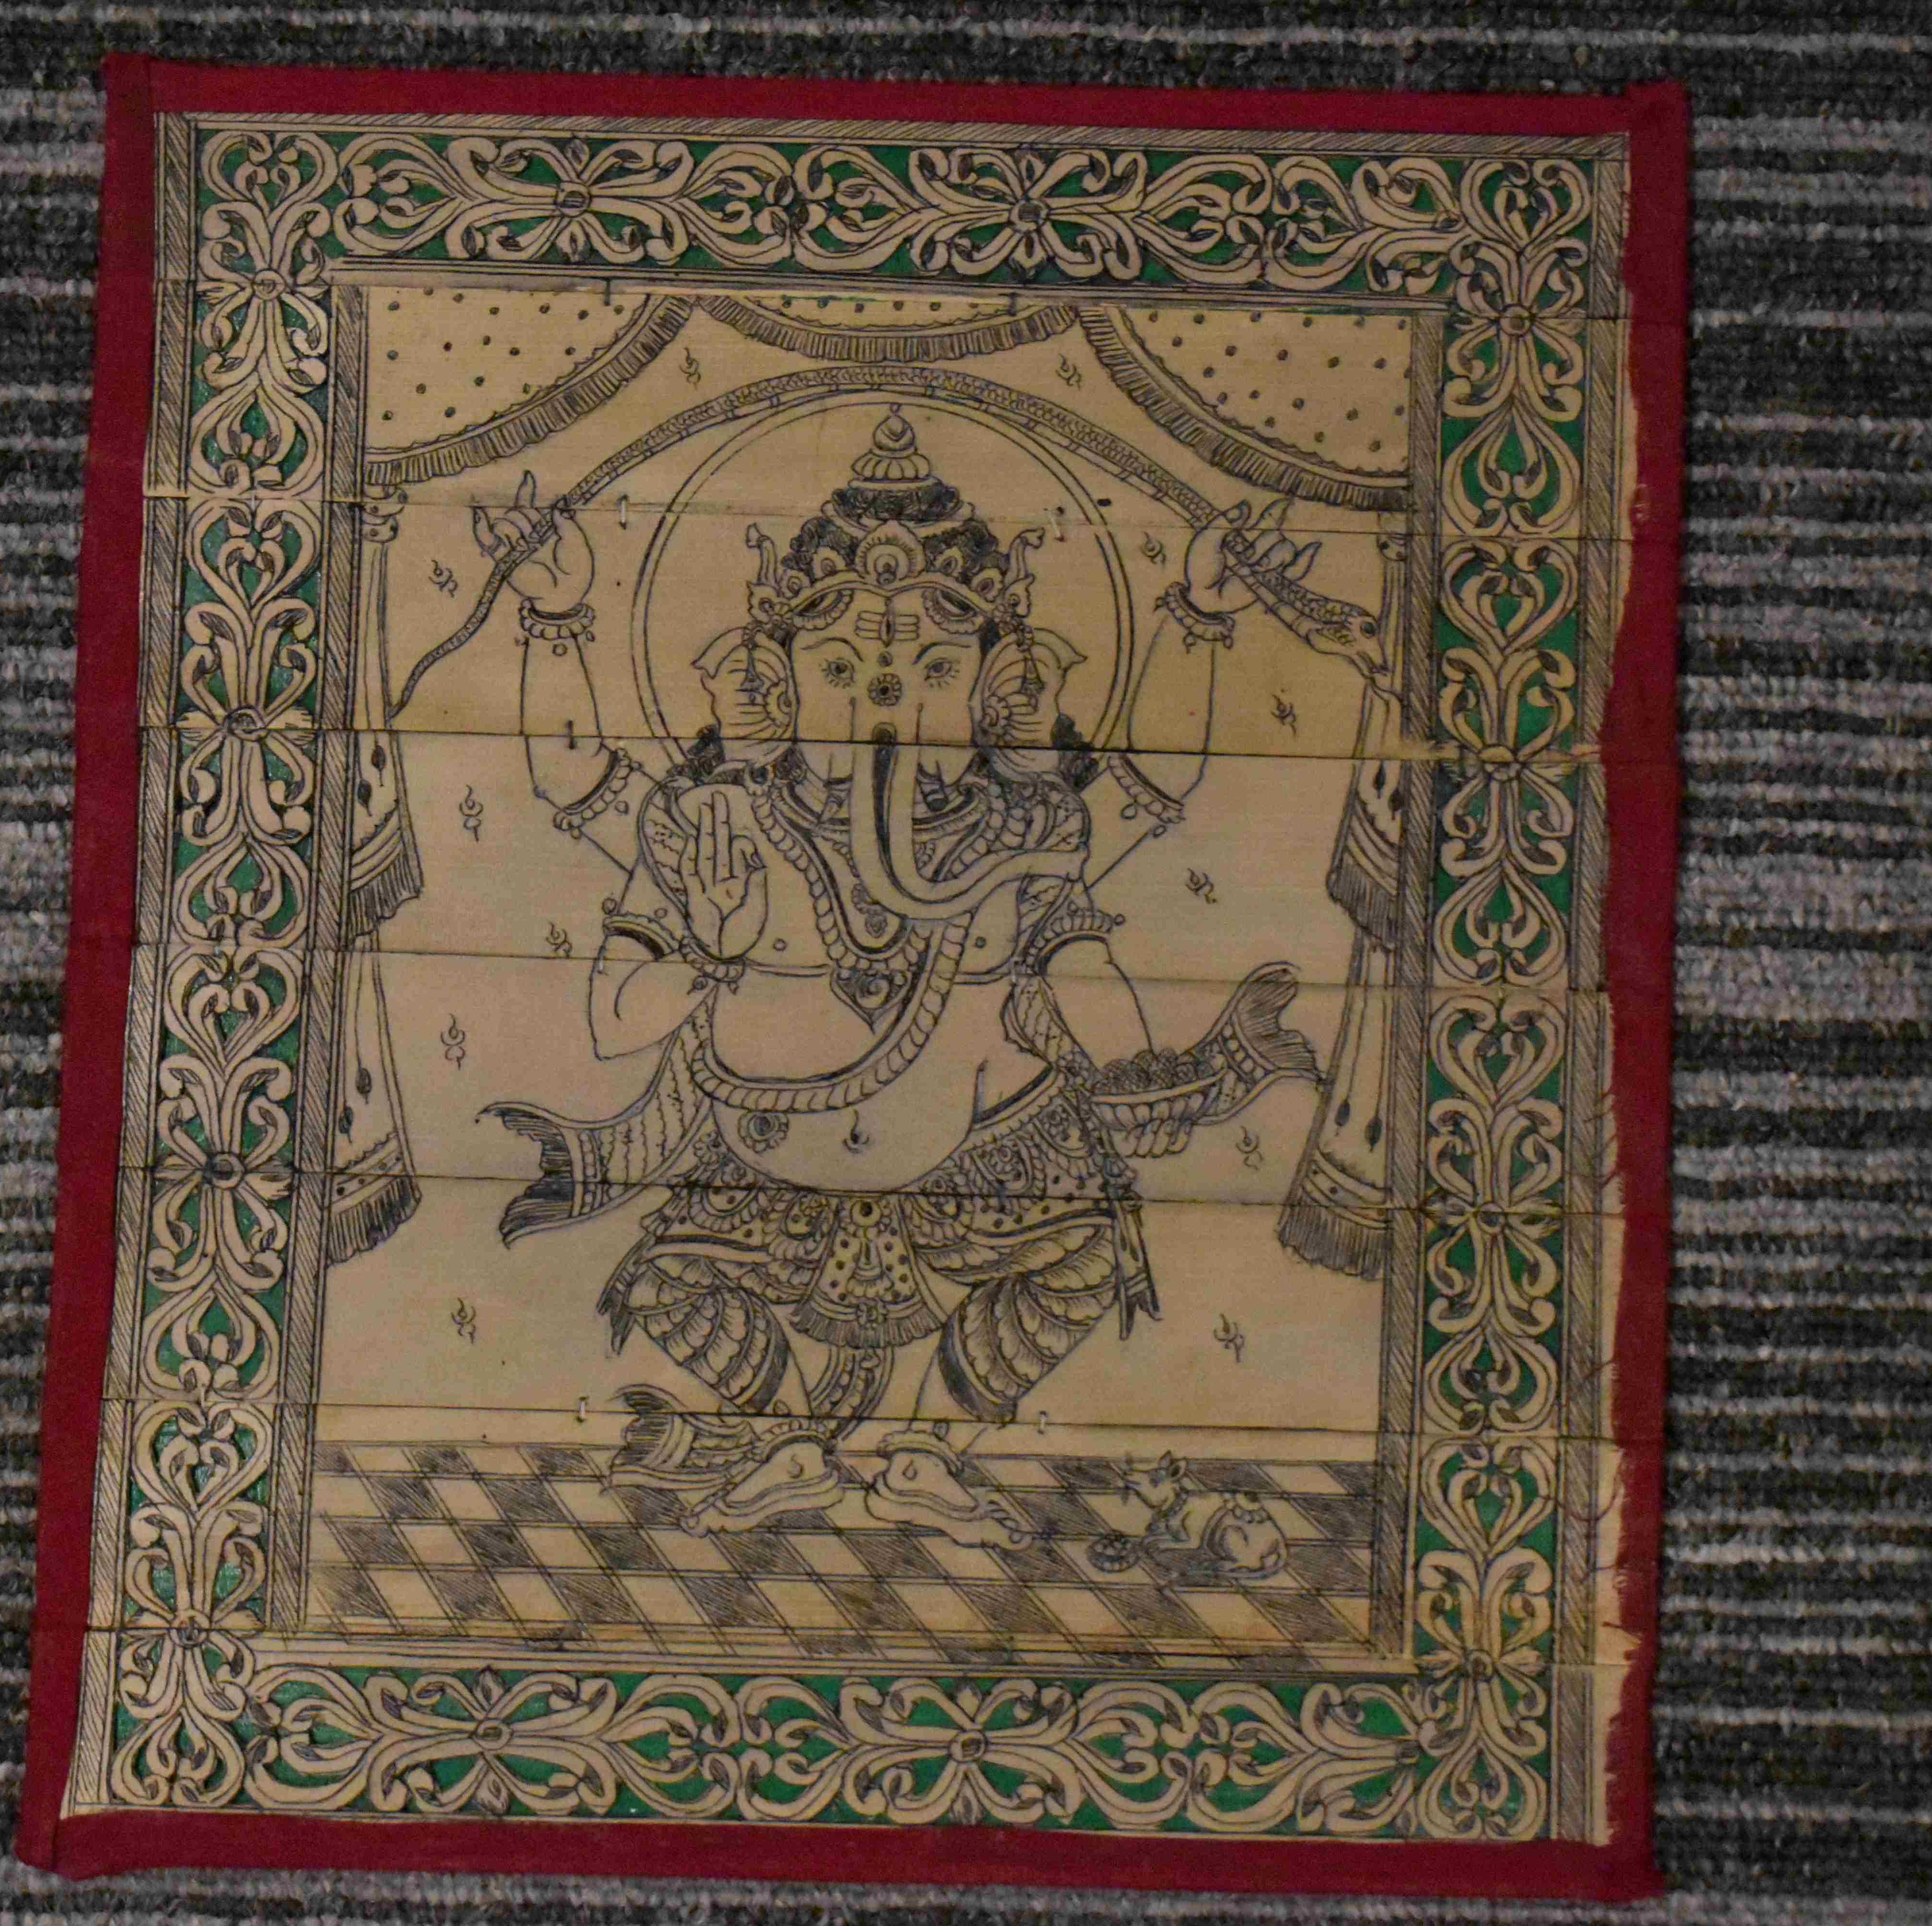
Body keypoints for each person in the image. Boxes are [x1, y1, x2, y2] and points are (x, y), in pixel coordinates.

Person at [476, 406, 1324, 1547]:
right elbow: (611, 989)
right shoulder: (718, 820)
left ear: (997, 689)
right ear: (772, 683)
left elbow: (1138, 802)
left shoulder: (1018, 824)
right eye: (839, 669)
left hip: (978, 1173)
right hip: (768, 1172)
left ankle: (928, 1444)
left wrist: (1200, 617)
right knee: (670, 1284)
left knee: (1087, 1253)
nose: (887, 706)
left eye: (935, 670)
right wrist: (559, 618)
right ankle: (787, 1439)